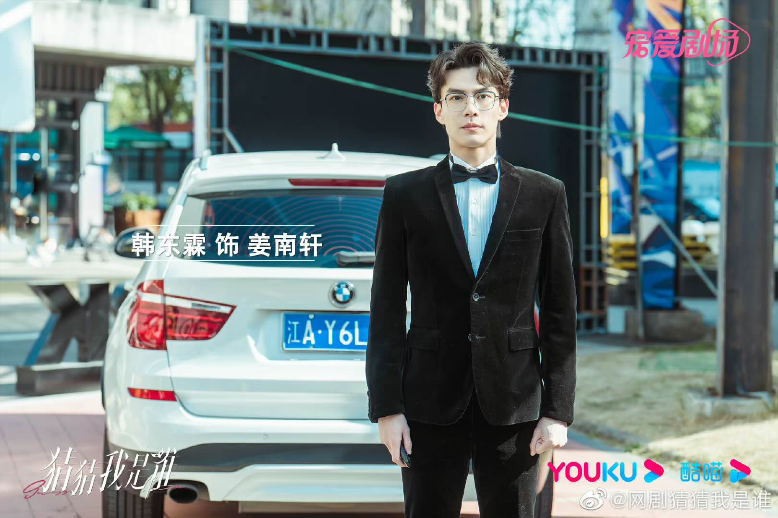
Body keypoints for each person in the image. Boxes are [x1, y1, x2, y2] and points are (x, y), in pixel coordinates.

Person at [365, 41, 577, 518]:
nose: (471, 108)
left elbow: (560, 311)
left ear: (503, 107)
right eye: (456, 97)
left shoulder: (545, 194)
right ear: (439, 110)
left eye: (483, 96)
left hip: (516, 403)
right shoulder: (404, 195)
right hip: (427, 403)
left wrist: (557, 410)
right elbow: (386, 308)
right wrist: (387, 408)